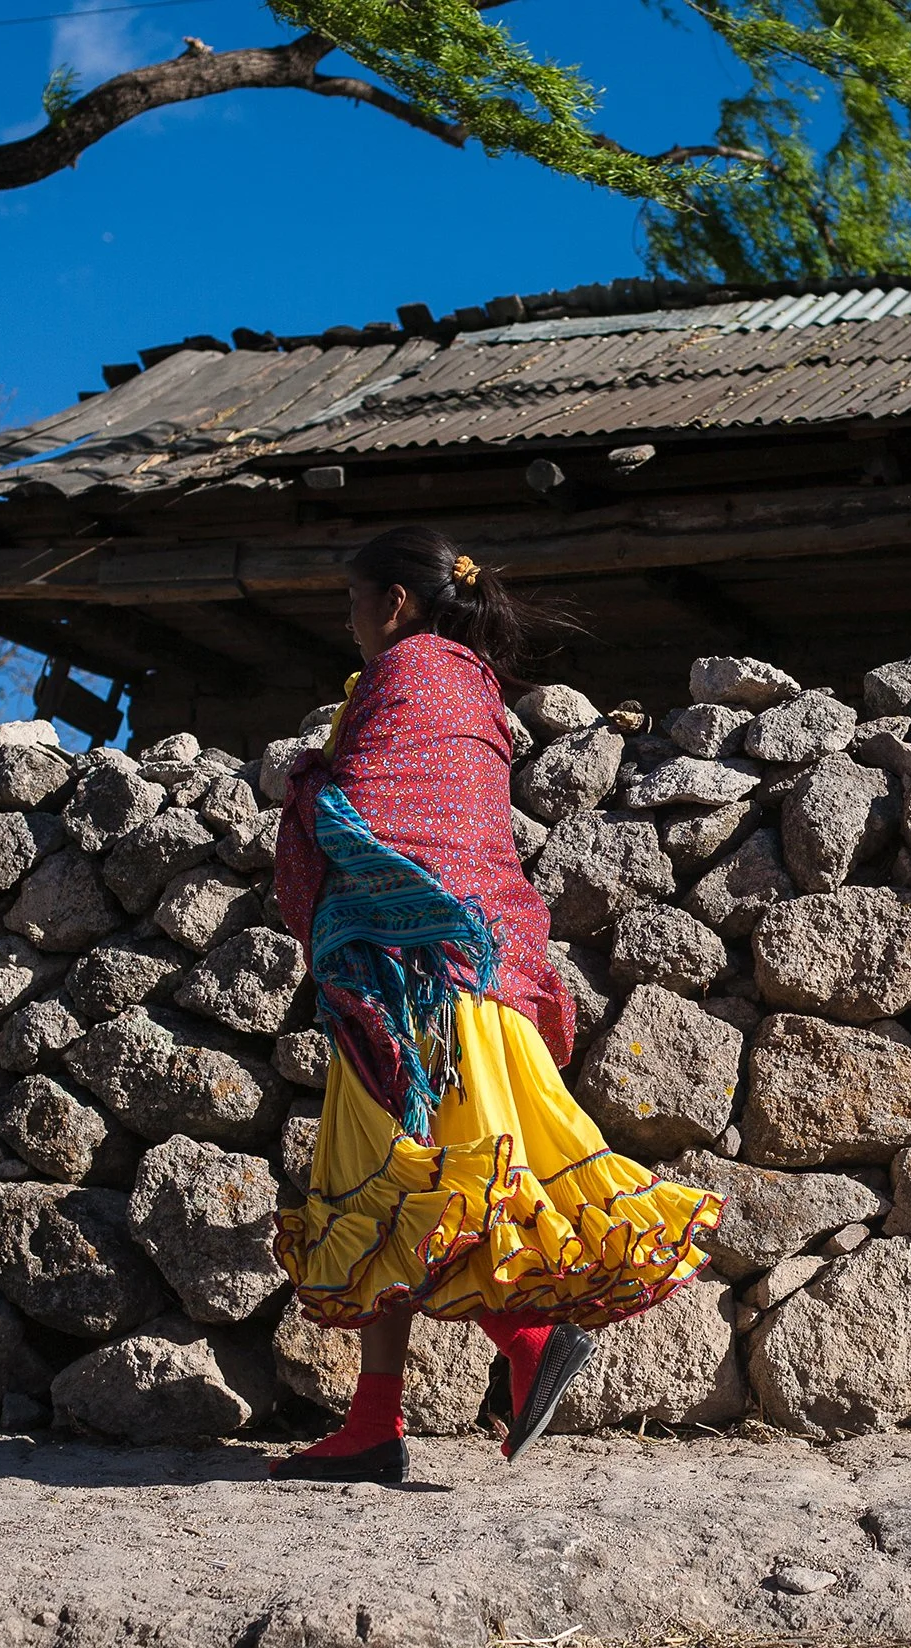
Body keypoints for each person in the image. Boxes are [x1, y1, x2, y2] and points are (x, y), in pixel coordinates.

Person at [266, 525, 723, 1485]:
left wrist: (306, 782)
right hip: (466, 967)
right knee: (393, 1191)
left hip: (414, 979)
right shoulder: (470, 687)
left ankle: (521, 1342)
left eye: (353, 598)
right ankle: (374, 1424)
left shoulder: (410, 672)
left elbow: (380, 813)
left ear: (393, 600)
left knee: (416, 1177)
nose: (347, 618)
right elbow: (448, 824)